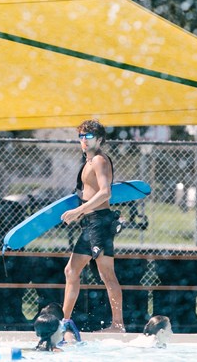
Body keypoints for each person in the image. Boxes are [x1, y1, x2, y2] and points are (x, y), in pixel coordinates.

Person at [61, 119, 124, 332]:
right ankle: (65, 322)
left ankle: (118, 324)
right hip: (90, 223)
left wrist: (79, 210)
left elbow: (106, 192)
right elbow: (89, 192)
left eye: (88, 137)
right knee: (71, 271)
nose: (84, 141)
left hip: (100, 223)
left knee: (107, 274)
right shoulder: (87, 162)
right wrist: (81, 212)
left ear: (100, 139)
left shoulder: (99, 160)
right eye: (81, 136)